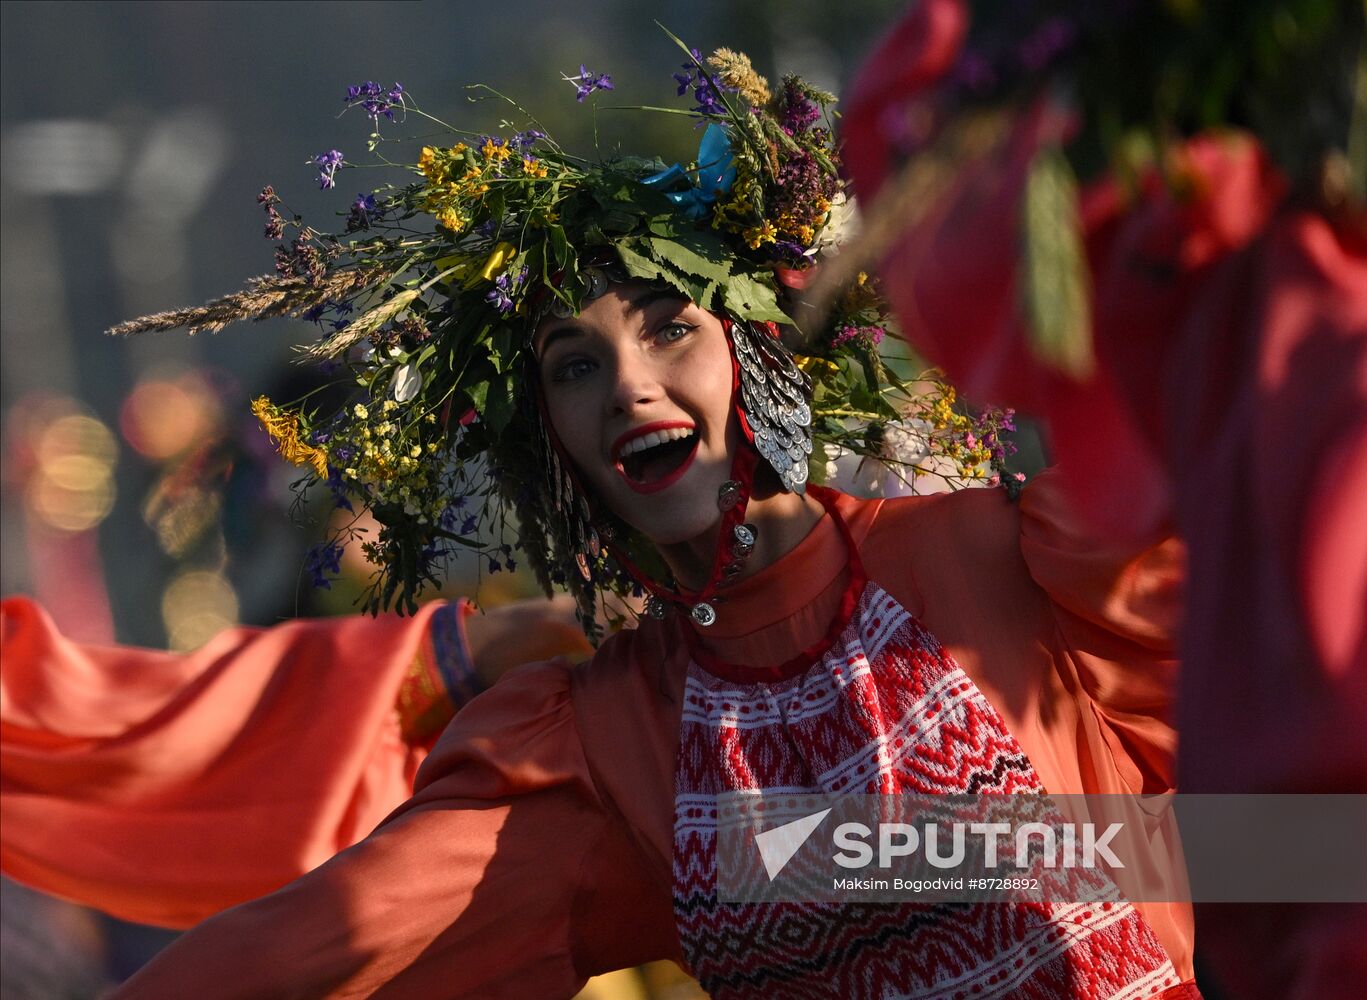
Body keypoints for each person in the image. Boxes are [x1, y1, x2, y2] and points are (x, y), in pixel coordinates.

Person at [4, 43, 1202, 998]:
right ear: (550, 444)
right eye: (572, 365)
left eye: (668, 326)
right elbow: (315, 945)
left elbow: (1294, 821)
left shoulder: (1010, 559)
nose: (626, 384)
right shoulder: (601, 747)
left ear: (760, 352)